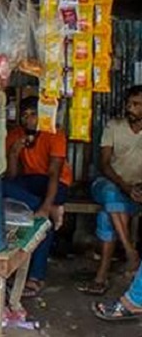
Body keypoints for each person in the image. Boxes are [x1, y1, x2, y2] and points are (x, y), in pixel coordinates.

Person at [4, 96, 72, 297]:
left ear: (42, 116)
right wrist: (14, 153)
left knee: (41, 215)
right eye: (24, 115)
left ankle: (34, 277)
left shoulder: (54, 133)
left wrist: (45, 205)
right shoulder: (15, 135)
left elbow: (54, 173)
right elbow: (12, 177)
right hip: (30, 184)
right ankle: (35, 276)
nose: (28, 119)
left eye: (33, 114)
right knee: (2, 186)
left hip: (56, 184)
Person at [78, 86, 142, 296]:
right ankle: (130, 251)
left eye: (136, 104)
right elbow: (104, 165)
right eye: (129, 103)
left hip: (134, 192)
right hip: (107, 184)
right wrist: (126, 187)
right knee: (111, 194)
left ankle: (101, 278)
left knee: (107, 214)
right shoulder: (113, 126)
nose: (130, 108)